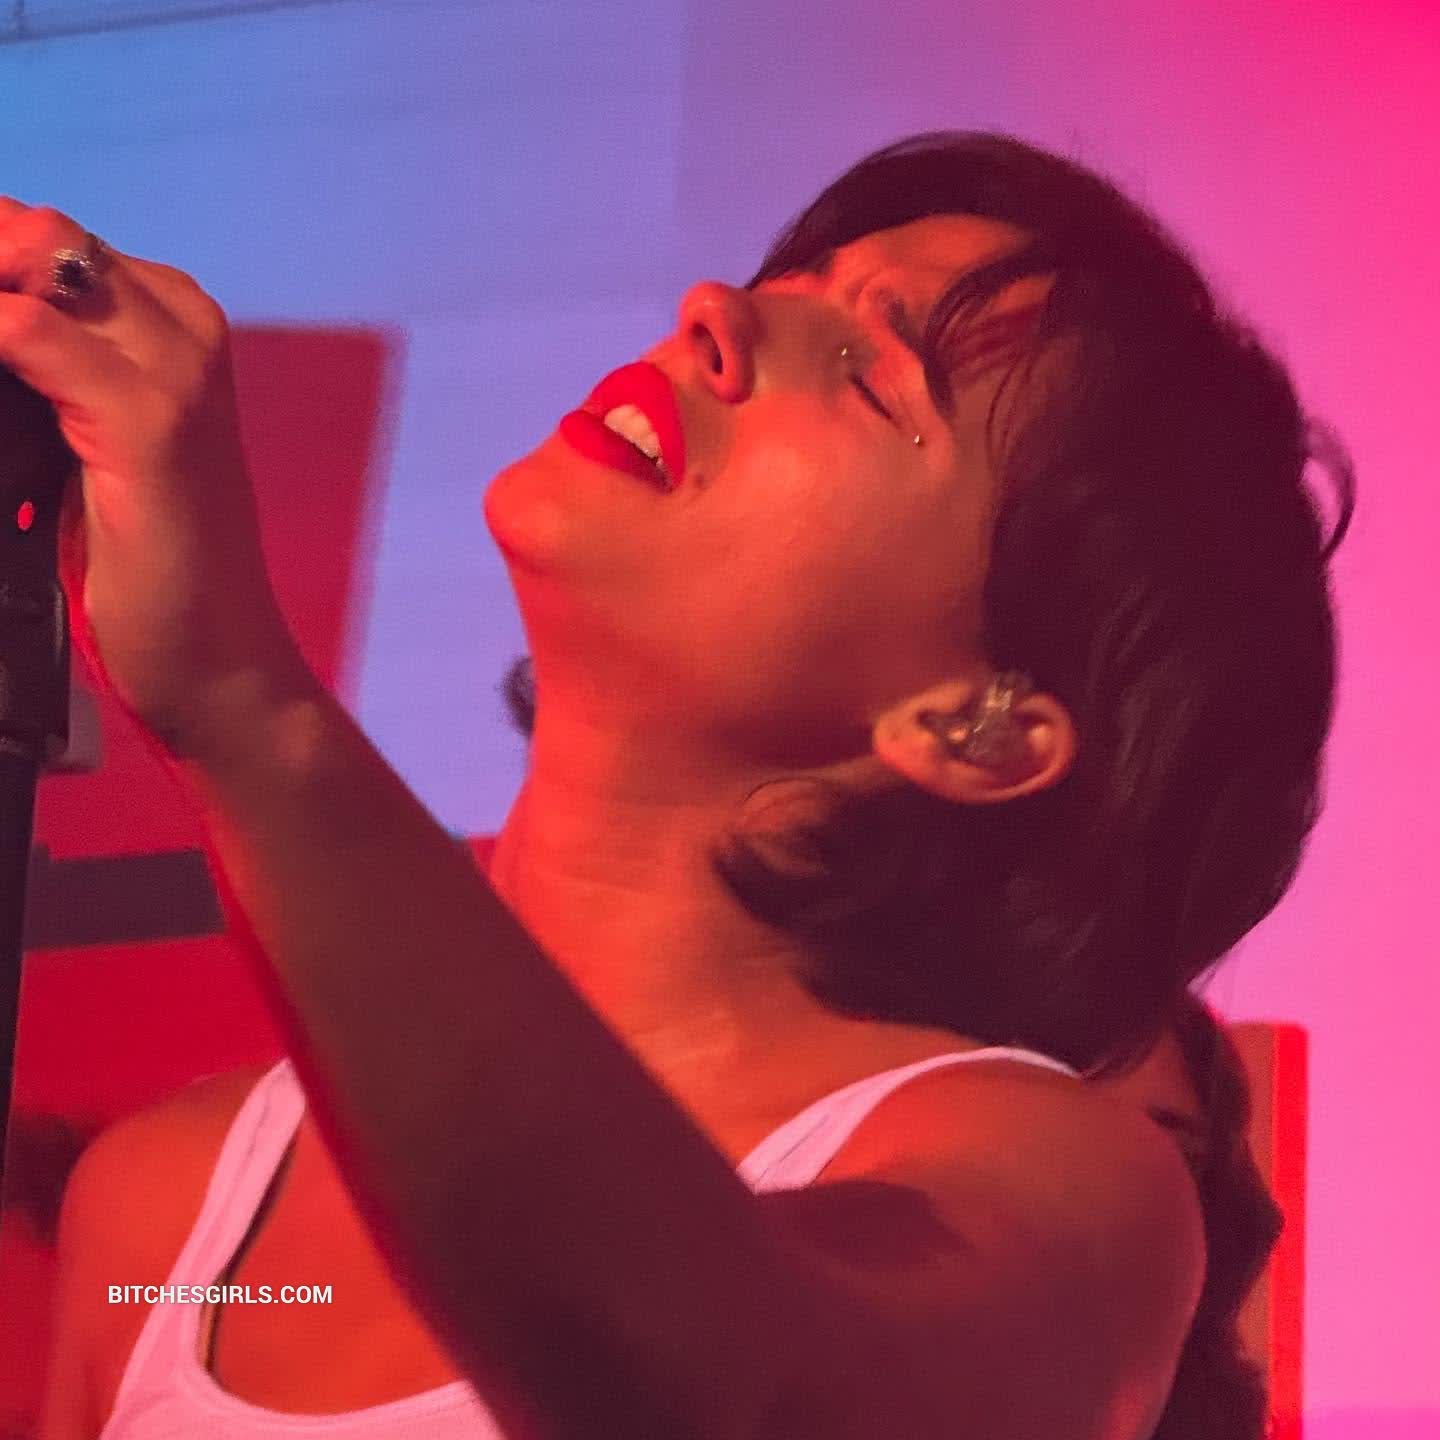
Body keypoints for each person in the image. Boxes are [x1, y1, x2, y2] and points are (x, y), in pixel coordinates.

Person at [0, 131, 1347, 1438]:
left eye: (878, 379)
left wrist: (243, 698)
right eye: (793, 287)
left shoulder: (1065, 1190)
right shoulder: (166, 1207)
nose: (717, 310)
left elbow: (741, 1403)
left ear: (974, 727)